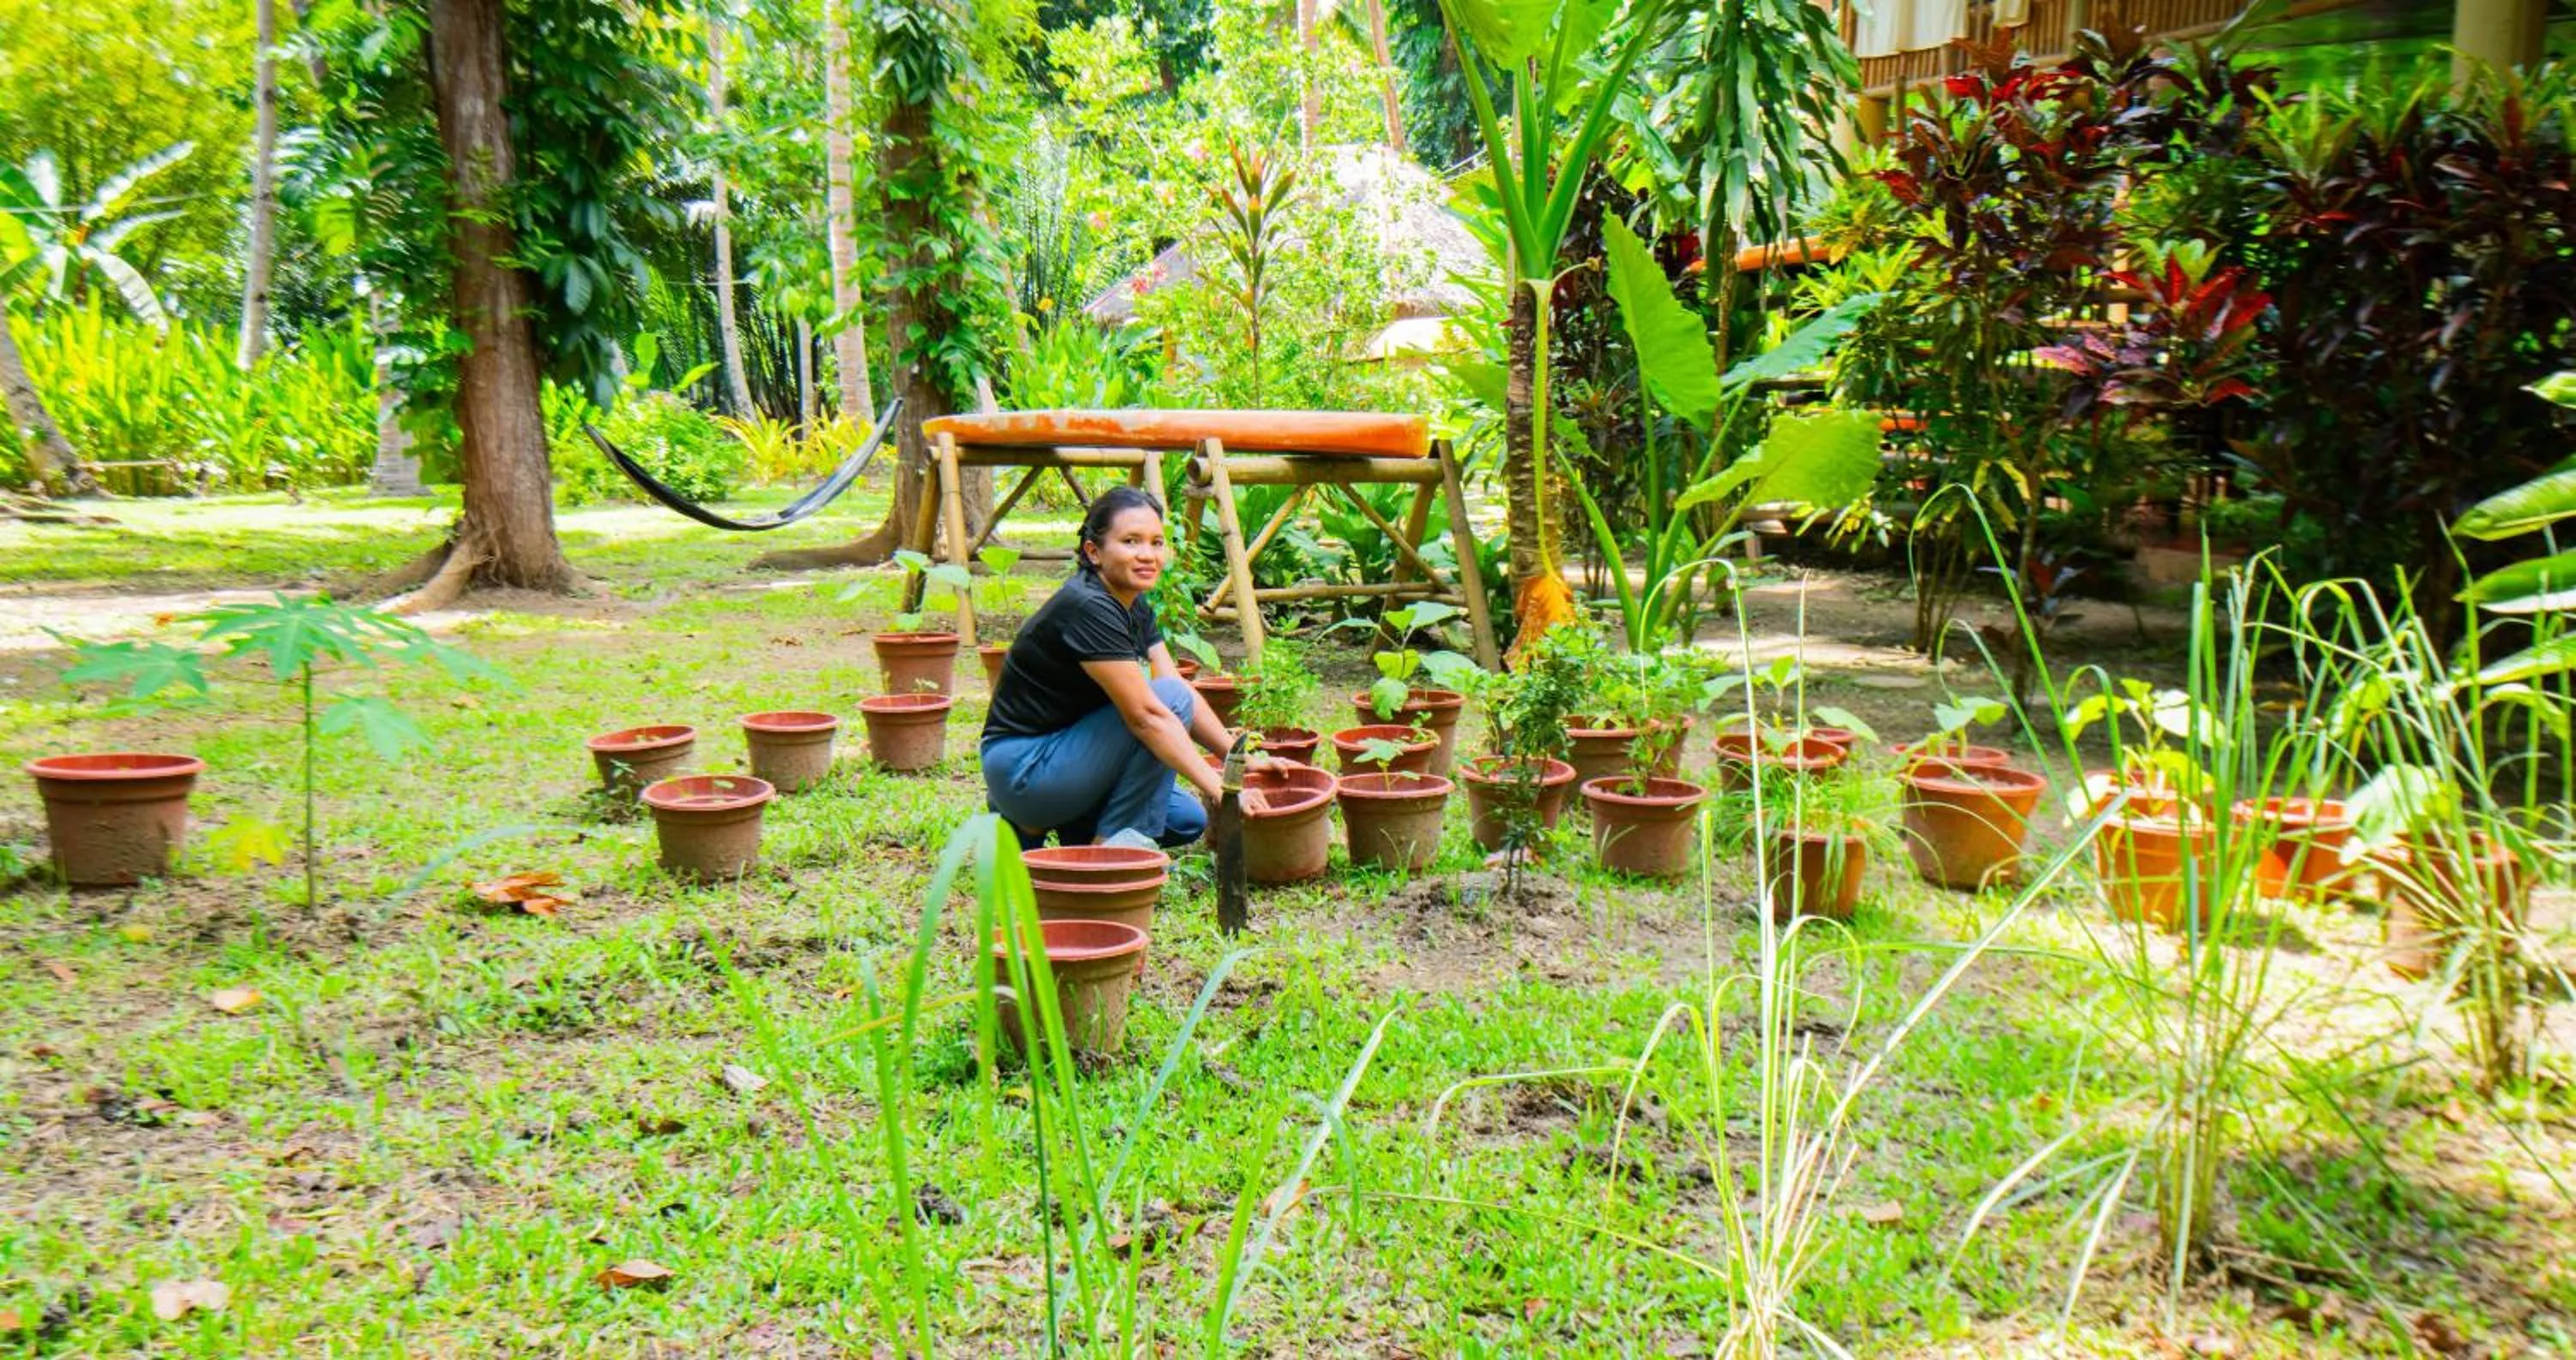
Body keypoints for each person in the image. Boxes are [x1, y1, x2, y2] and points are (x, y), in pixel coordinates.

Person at [981, 486, 1244, 848]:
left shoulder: (1131, 602)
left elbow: (1177, 688)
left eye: (1156, 542)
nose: (1147, 555)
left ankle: (1038, 824)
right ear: (1094, 552)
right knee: (1161, 708)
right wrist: (1222, 789)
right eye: (1131, 541)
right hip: (1026, 766)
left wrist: (1238, 762)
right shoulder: (1088, 605)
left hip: (1069, 756)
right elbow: (1149, 716)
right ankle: (1106, 851)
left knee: (1185, 820)